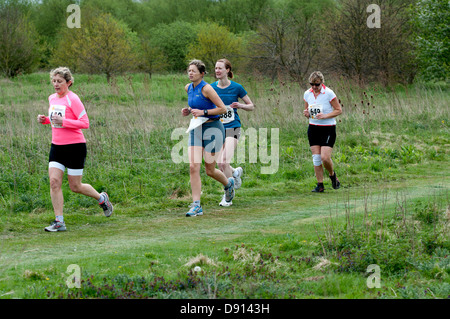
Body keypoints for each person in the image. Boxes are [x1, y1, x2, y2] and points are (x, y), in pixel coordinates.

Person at [37, 67, 113, 232]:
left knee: (75, 186)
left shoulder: (73, 99)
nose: (56, 84)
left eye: (60, 81)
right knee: (54, 182)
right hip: (56, 146)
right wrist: (45, 120)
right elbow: (55, 121)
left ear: (68, 83)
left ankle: (102, 198)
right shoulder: (51, 98)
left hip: (75, 147)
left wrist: (64, 121)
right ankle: (59, 222)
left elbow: (84, 123)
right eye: (54, 81)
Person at [181, 60, 235, 217]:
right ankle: (196, 205)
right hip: (196, 128)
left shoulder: (207, 88)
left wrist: (203, 112)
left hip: (213, 129)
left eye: (193, 71)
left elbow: (222, 109)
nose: (190, 73)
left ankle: (228, 184)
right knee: (193, 166)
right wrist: (188, 110)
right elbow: (195, 106)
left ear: (202, 73)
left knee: (210, 170)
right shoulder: (188, 88)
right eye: (189, 71)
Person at [211, 58, 255, 207]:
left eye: (220, 68)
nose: (217, 71)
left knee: (223, 162)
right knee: (220, 163)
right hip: (217, 128)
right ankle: (235, 173)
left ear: (227, 70)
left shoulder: (237, 87)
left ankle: (228, 195)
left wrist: (241, 105)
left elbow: (251, 106)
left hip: (233, 127)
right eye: (216, 68)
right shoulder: (211, 88)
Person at [303, 71, 342, 192]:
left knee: (325, 157)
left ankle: (332, 175)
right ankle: (320, 185)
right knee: (316, 158)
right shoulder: (307, 94)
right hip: (313, 128)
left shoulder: (329, 93)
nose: (314, 87)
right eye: (312, 84)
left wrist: (325, 116)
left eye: (317, 84)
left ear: (322, 83)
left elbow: (338, 110)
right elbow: (306, 109)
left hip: (328, 128)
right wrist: (306, 113)